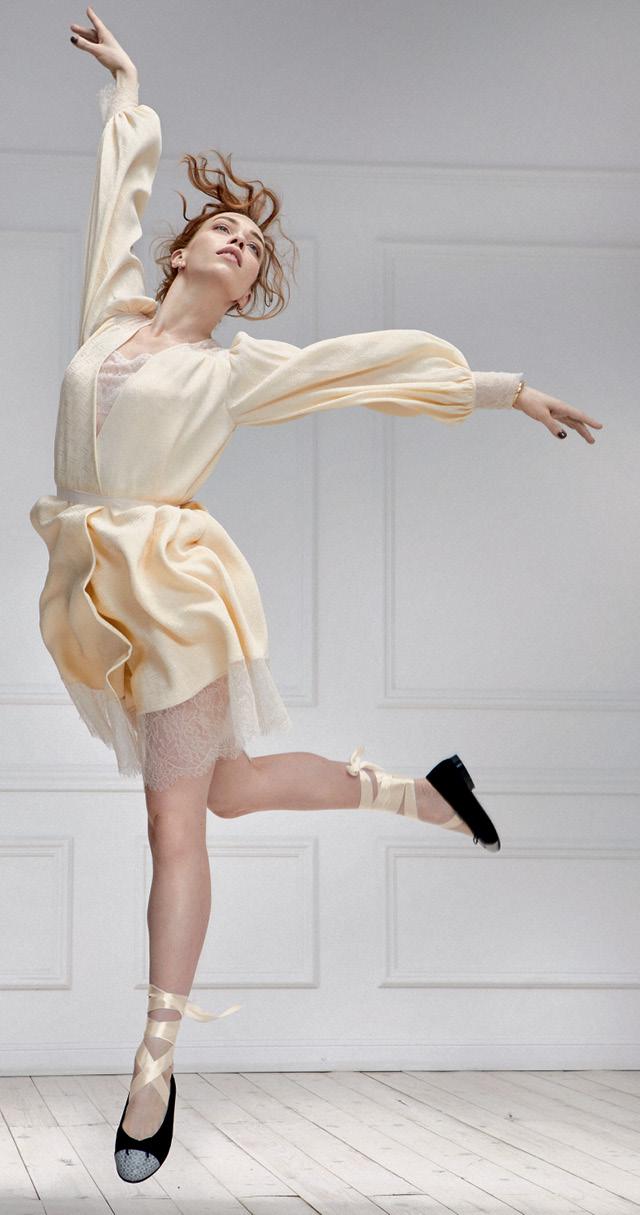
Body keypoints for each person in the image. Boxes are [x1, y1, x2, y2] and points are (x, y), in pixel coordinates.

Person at [30, 6, 604, 1184]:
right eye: (223, 229)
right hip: (93, 592)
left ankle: (153, 1064)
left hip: (174, 592)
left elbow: (357, 370)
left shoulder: (233, 372)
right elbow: (112, 208)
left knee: (174, 825)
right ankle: (419, 793)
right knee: (230, 791)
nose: (240, 244)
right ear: (183, 253)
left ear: (246, 292)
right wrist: (125, 93)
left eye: (253, 246)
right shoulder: (109, 318)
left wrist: (503, 389)